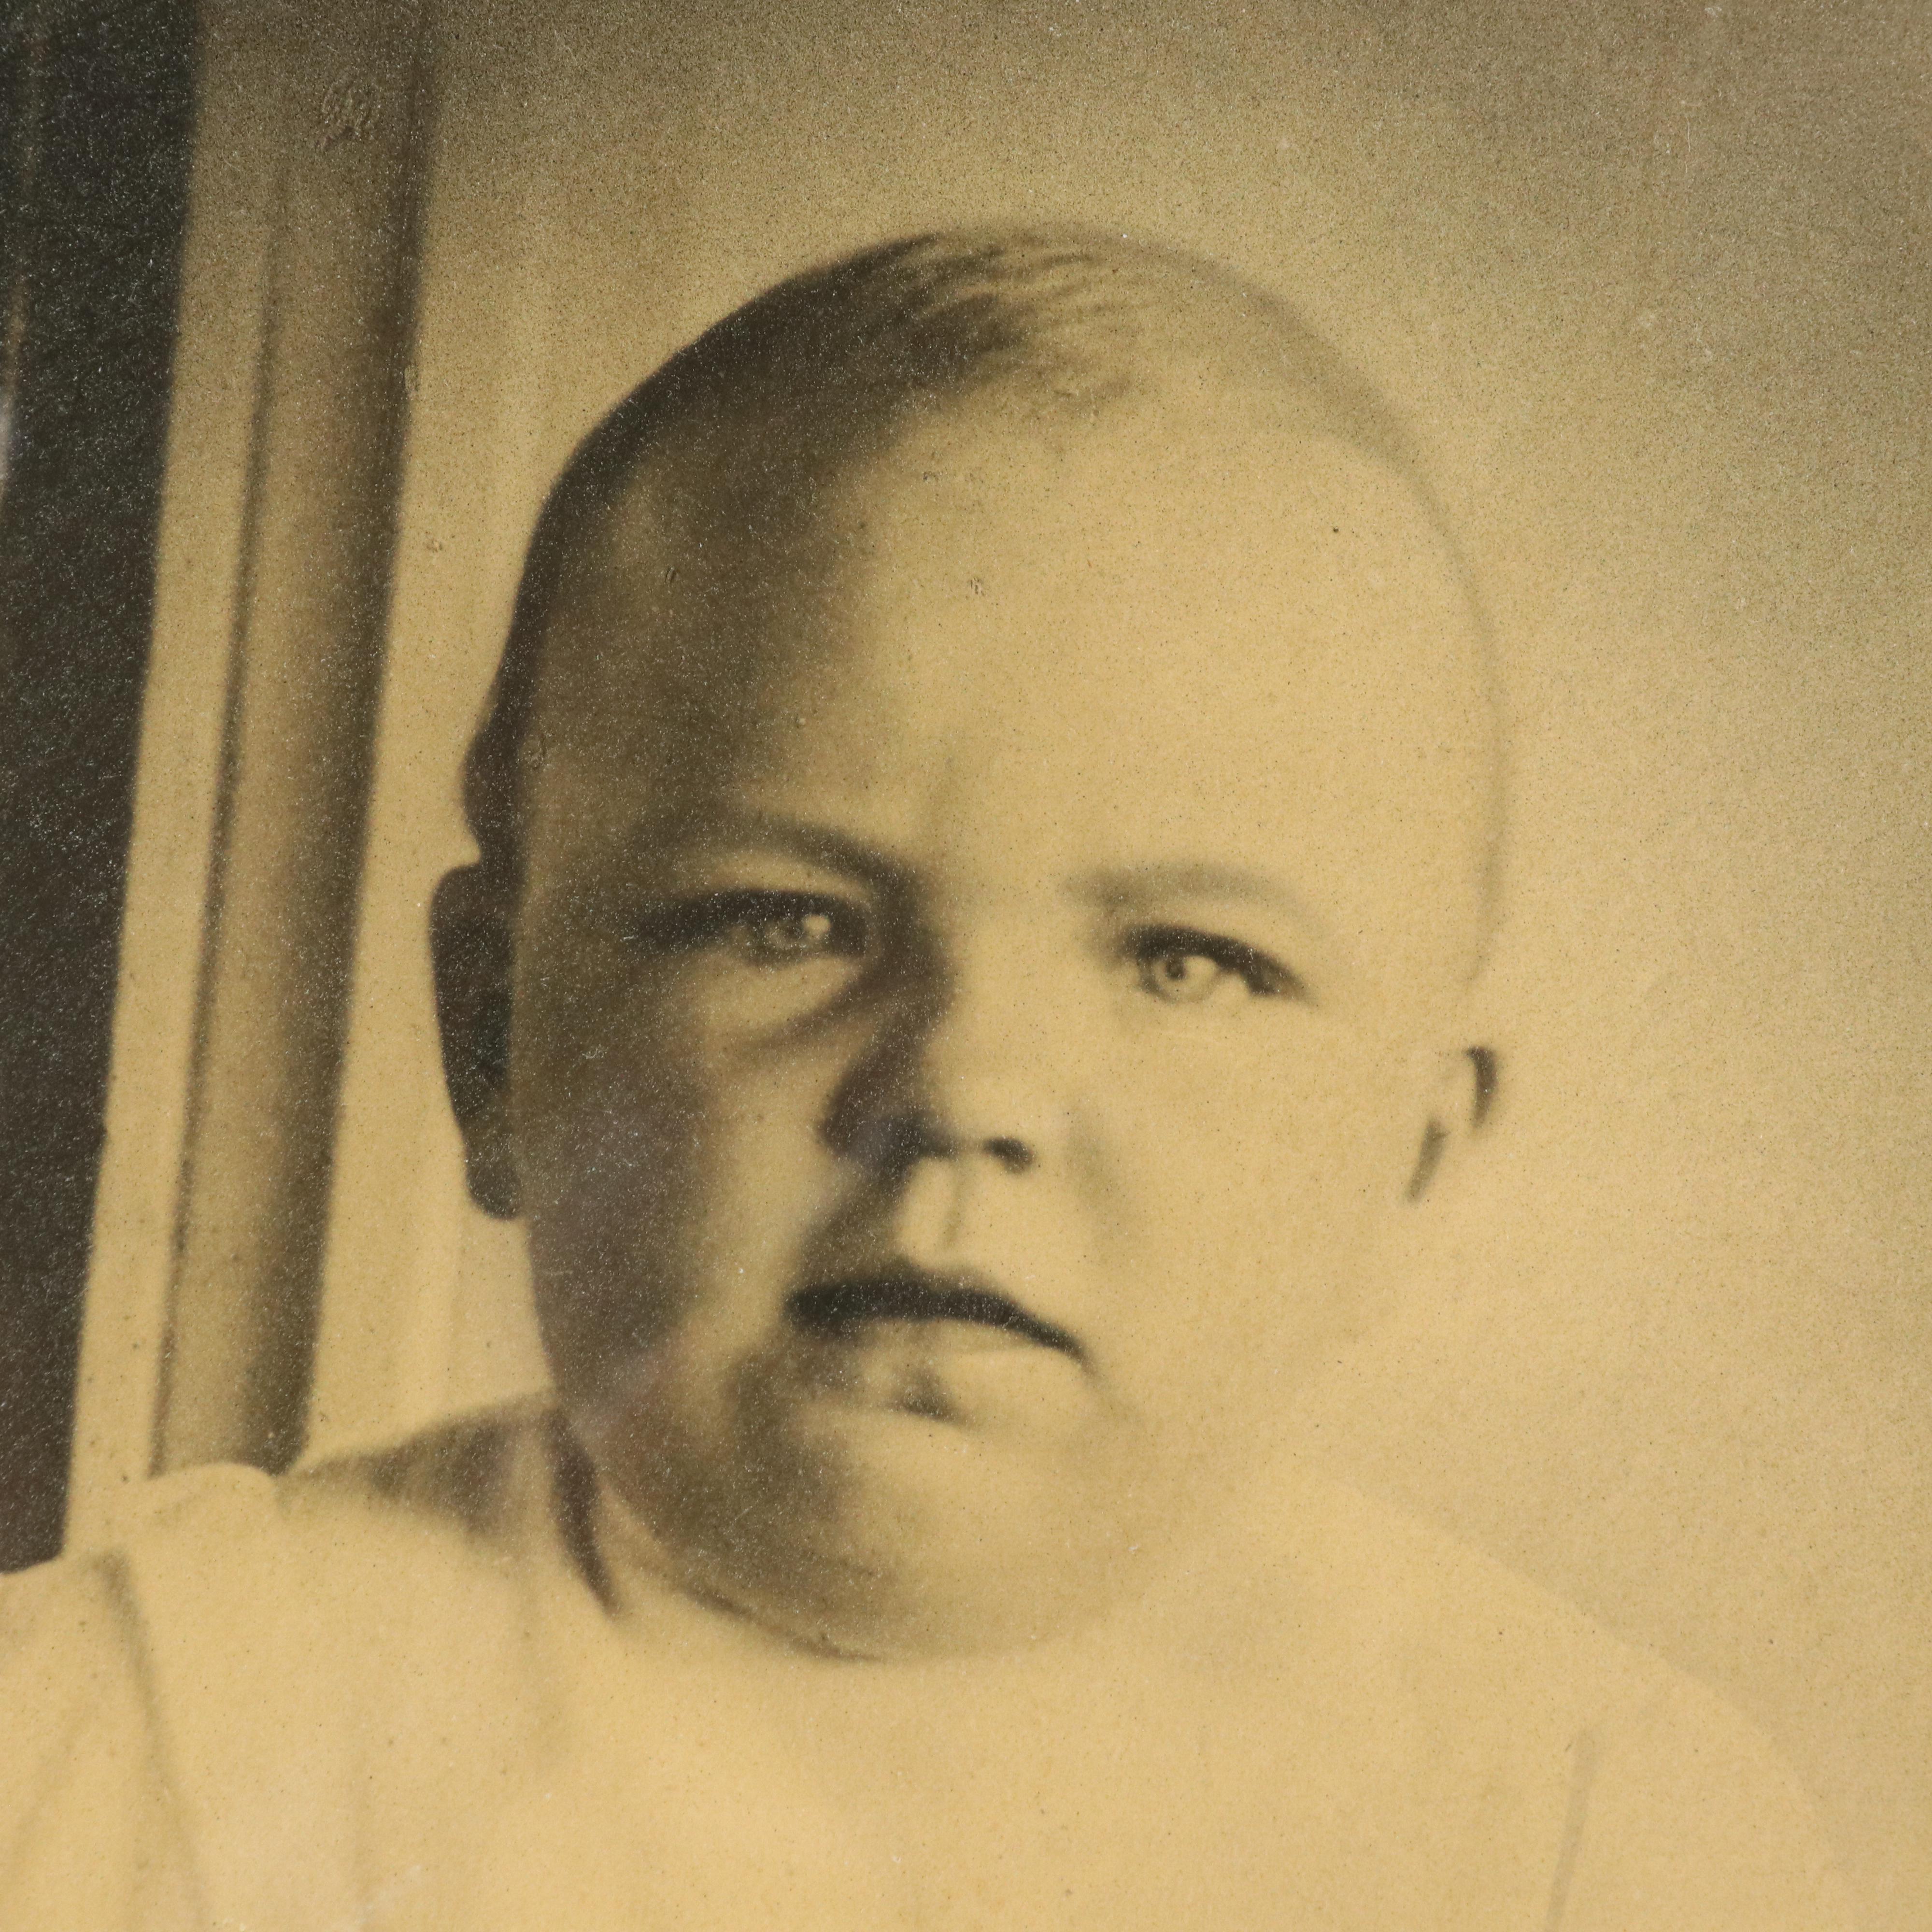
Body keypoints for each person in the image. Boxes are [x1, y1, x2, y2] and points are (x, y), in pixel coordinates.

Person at [1, 227, 1854, 1930]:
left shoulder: (1605, 1845)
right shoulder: (115, 1752)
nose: (967, 1084)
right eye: (785, 924)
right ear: (489, 1035)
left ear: (1408, 1166)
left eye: (1190, 962)